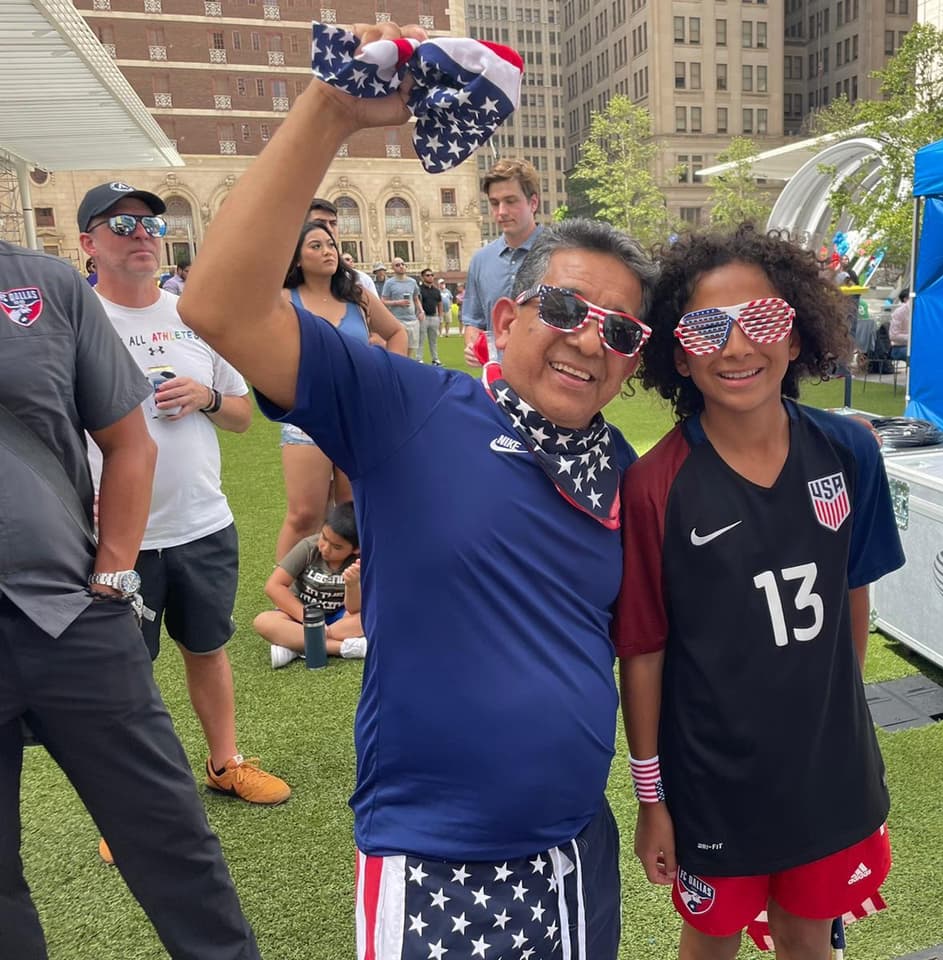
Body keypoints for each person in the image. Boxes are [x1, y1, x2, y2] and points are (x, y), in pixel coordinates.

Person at [178, 24, 657, 955]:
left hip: (574, 850)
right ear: (509, 317)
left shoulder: (627, 475)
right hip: (435, 854)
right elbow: (220, 307)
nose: (591, 341)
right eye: (567, 309)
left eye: (622, 332)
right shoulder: (411, 405)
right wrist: (331, 114)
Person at [614, 226, 906, 960]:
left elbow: (851, 595)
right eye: (708, 328)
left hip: (826, 770)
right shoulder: (656, 487)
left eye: (763, 320)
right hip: (713, 782)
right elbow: (643, 654)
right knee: (710, 943)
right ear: (680, 354)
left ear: (798, 332)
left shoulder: (850, 451)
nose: (738, 347)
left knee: (810, 939)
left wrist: (839, 722)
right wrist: (653, 801)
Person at [0, 235, 261, 958]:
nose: (137, 235)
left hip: (70, 606)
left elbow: (128, 439)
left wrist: (113, 570)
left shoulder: (43, 282)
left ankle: (226, 758)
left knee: (170, 838)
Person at [77, 181, 292, 831]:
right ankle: (128, 807)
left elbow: (240, 416)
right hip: (115, 535)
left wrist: (204, 396)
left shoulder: (192, 314)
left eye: (151, 225)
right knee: (122, 677)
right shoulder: (77, 321)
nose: (142, 235)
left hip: (202, 523)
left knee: (207, 649)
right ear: (88, 244)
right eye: (122, 226)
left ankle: (225, 763)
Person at [274, 220, 407, 561]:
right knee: (305, 514)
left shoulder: (357, 295)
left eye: (330, 244)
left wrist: (387, 380)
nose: (327, 251)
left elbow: (396, 334)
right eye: (315, 246)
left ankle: (349, 594)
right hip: (308, 418)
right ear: (298, 259)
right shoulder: (284, 300)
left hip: (357, 417)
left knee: (351, 513)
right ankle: (287, 592)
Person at [253, 502, 365, 668]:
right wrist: (307, 619)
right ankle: (341, 648)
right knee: (263, 621)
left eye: (336, 547)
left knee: (369, 619)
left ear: (355, 549)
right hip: (300, 615)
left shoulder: (358, 562)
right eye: (324, 537)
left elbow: (355, 609)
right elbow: (274, 586)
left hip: (339, 618)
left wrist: (352, 585)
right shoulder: (309, 547)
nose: (325, 548)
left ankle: (295, 646)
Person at [462, 158, 542, 365]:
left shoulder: (560, 254)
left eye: (511, 201)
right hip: (497, 384)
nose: (501, 212)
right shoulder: (481, 260)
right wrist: (473, 346)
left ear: (533, 203)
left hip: (548, 384)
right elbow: (474, 321)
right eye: (495, 203)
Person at [311, 198, 378, 299]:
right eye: (320, 223)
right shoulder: (285, 290)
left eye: (333, 223)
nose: (329, 228)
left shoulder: (359, 282)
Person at [380, 257, 424, 361]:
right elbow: (383, 301)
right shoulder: (390, 283)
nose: (401, 267)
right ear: (393, 268)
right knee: (399, 350)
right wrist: (397, 302)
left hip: (412, 320)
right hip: (397, 320)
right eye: (397, 265)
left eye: (402, 264)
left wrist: (421, 311)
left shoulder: (412, 282)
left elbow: (416, 299)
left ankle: (407, 370)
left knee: (410, 349)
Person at [418, 268, 444, 360]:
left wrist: (440, 317)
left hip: (434, 317)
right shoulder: (419, 290)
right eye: (428, 275)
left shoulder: (436, 291)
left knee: (433, 340)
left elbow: (440, 303)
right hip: (423, 318)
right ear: (423, 277)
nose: (430, 277)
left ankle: (435, 359)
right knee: (421, 339)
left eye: (432, 275)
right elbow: (417, 302)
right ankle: (419, 358)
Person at [889, 288, 911, 362]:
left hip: (913, 346)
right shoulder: (899, 312)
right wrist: (911, 337)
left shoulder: (920, 311)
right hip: (899, 347)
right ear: (906, 299)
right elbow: (893, 336)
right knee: (917, 353)